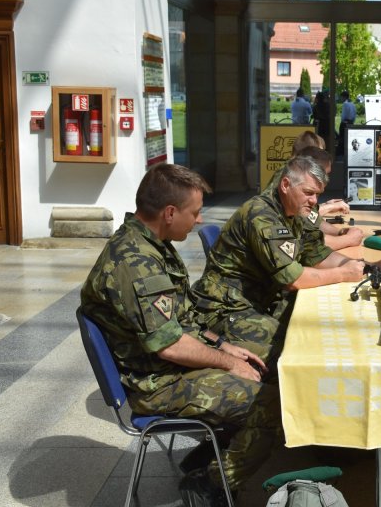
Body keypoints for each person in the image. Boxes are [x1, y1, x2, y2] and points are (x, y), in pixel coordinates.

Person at [80, 163, 281, 506]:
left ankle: (207, 455)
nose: (199, 220)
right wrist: (227, 364)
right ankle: (209, 484)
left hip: (166, 368)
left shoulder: (152, 243)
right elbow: (171, 347)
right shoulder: (135, 263)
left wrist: (224, 347)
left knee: (266, 360)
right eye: (196, 212)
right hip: (157, 385)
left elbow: (182, 320)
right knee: (274, 407)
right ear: (170, 213)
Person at [194, 156, 381, 355]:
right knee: (299, 349)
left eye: (317, 194)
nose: (314, 201)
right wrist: (342, 274)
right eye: (308, 193)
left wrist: (370, 267)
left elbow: (317, 255)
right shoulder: (262, 216)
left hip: (262, 298)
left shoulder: (295, 210)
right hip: (225, 310)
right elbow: (294, 279)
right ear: (286, 185)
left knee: (326, 327)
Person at [337, 90, 356, 155]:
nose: (341, 98)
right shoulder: (352, 104)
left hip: (345, 123)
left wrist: (342, 121)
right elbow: (354, 115)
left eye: (341, 97)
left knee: (342, 139)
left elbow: (343, 116)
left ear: (344, 97)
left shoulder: (345, 104)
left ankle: (341, 152)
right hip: (351, 123)